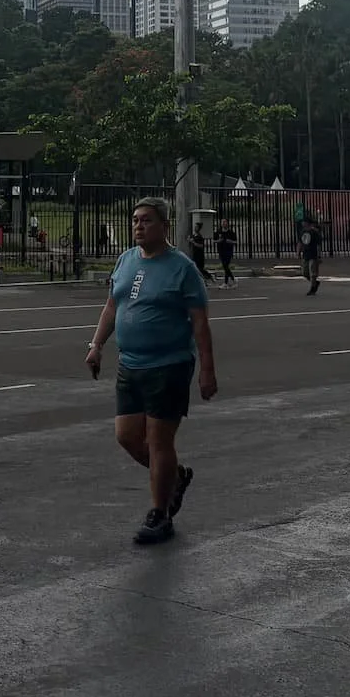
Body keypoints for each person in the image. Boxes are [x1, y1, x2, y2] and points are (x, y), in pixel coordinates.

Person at [84, 198, 217, 546]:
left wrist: (207, 371)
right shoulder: (126, 260)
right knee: (127, 435)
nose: (139, 226)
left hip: (169, 365)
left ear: (164, 226)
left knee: (159, 441)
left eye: (146, 220)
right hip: (130, 363)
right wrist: (96, 345)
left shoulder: (182, 268)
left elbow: (200, 324)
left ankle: (160, 514)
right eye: (135, 221)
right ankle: (175, 477)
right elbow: (112, 305)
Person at [299, 217, 324, 297]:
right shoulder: (303, 231)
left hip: (313, 254)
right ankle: (315, 283)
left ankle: (313, 288)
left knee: (313, 273)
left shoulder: (314, 232)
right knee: (305, 272)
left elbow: (318, 245)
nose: (302, 223)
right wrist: (298, 252)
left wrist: (319, 256)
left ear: (307, 223)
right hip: (306, 254)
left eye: (304, 221)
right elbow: (300, 242)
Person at [215, 222, 238, 289]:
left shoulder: (231, 232)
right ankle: (232, 280)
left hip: (228, 251)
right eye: (222, 222)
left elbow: (235, 241)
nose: (223, 223)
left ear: (227, 224)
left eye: (225, 222)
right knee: (225, 267)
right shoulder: (219, 232)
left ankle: (226, 283)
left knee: (225, 266)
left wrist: (230, 241)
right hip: (221, 251)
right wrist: (219, 240)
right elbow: (214, 240)